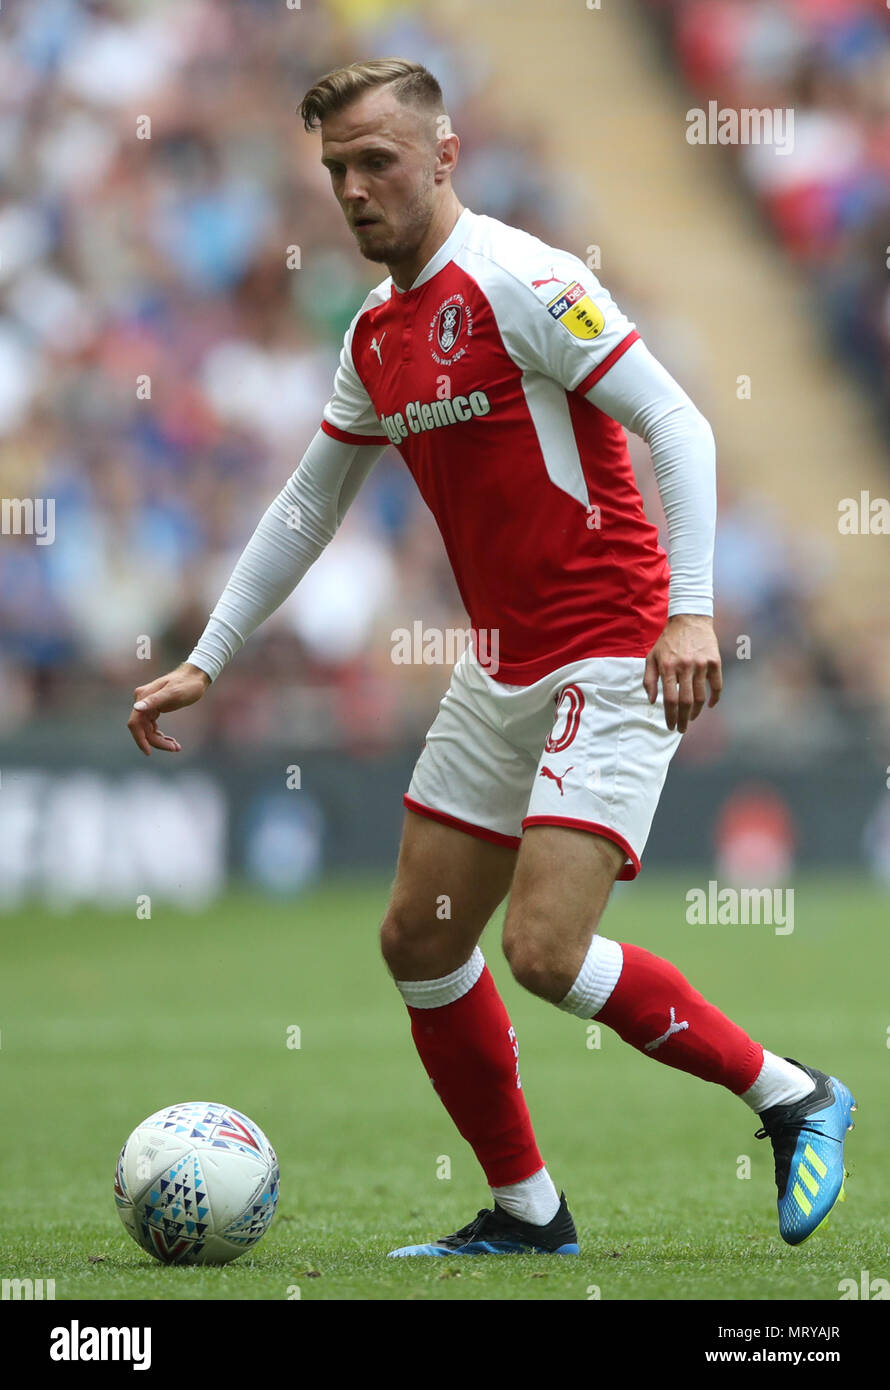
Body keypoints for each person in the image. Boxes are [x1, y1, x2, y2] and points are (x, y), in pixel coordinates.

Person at [127, 58, 855, 1257]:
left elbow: (676, 421)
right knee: (419, 937)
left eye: (377, 162)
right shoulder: (375, 333)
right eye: (335, 171)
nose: (355, 190)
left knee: (542, 951)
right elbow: (309, 508)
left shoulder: (525, 280)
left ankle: (789, 1093)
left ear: (443, 155)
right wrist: (209, 655)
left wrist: (688, 611)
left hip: (613, 649)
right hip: (501, 664)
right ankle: (528, 1212)